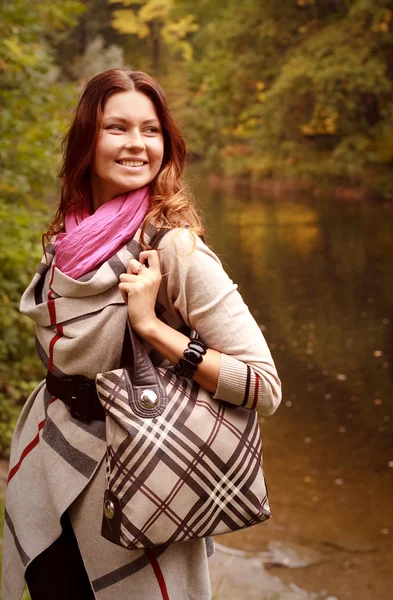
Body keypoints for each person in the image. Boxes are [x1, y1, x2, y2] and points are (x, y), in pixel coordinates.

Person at [2, 69, 281, 600]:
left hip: (141, 484)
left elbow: (263, 387)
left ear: (166, 145)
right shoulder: (69, 241)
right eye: (117, 128)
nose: (136, 144)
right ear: (87, 141)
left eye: (150, 130)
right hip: (50, 471)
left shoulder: (174, 250)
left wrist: (151, 327)